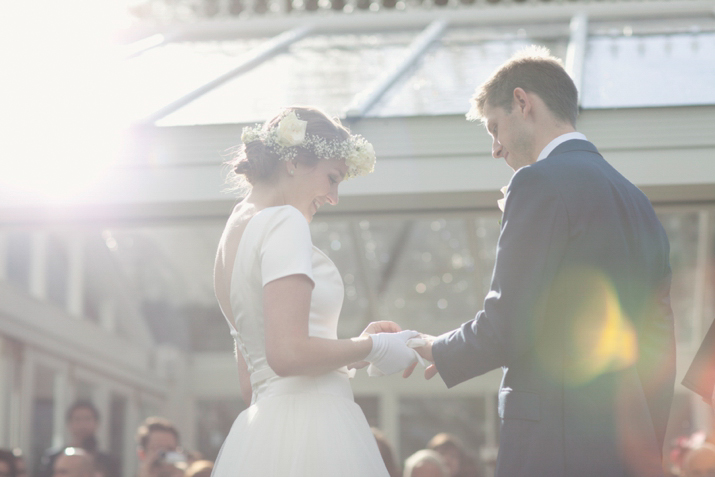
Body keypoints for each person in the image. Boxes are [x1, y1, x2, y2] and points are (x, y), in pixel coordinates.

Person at [408, 46, 676, 477]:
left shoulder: (535, 184)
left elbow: (508, 324)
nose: (495, 149)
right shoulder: (638, 201)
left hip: (554, 445)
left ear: (522, 101)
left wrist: (435, 346)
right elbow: (660, 342)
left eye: (494, 128)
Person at [211, 106, 420, 476]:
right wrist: (376, 347)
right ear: (293, 161)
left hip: (264, 434)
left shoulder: (231, 237)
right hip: (315, 428)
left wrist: (352, 354)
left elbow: (253, 382)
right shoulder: (283, 221)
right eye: (332, 178)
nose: (334, 196)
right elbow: (288, 354)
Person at [39, 401, 120, 477]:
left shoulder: (108, 462)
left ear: (96, 423)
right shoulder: (53, 458)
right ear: (69, 424)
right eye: (77, 419)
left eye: (87, 419)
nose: (82, 425)